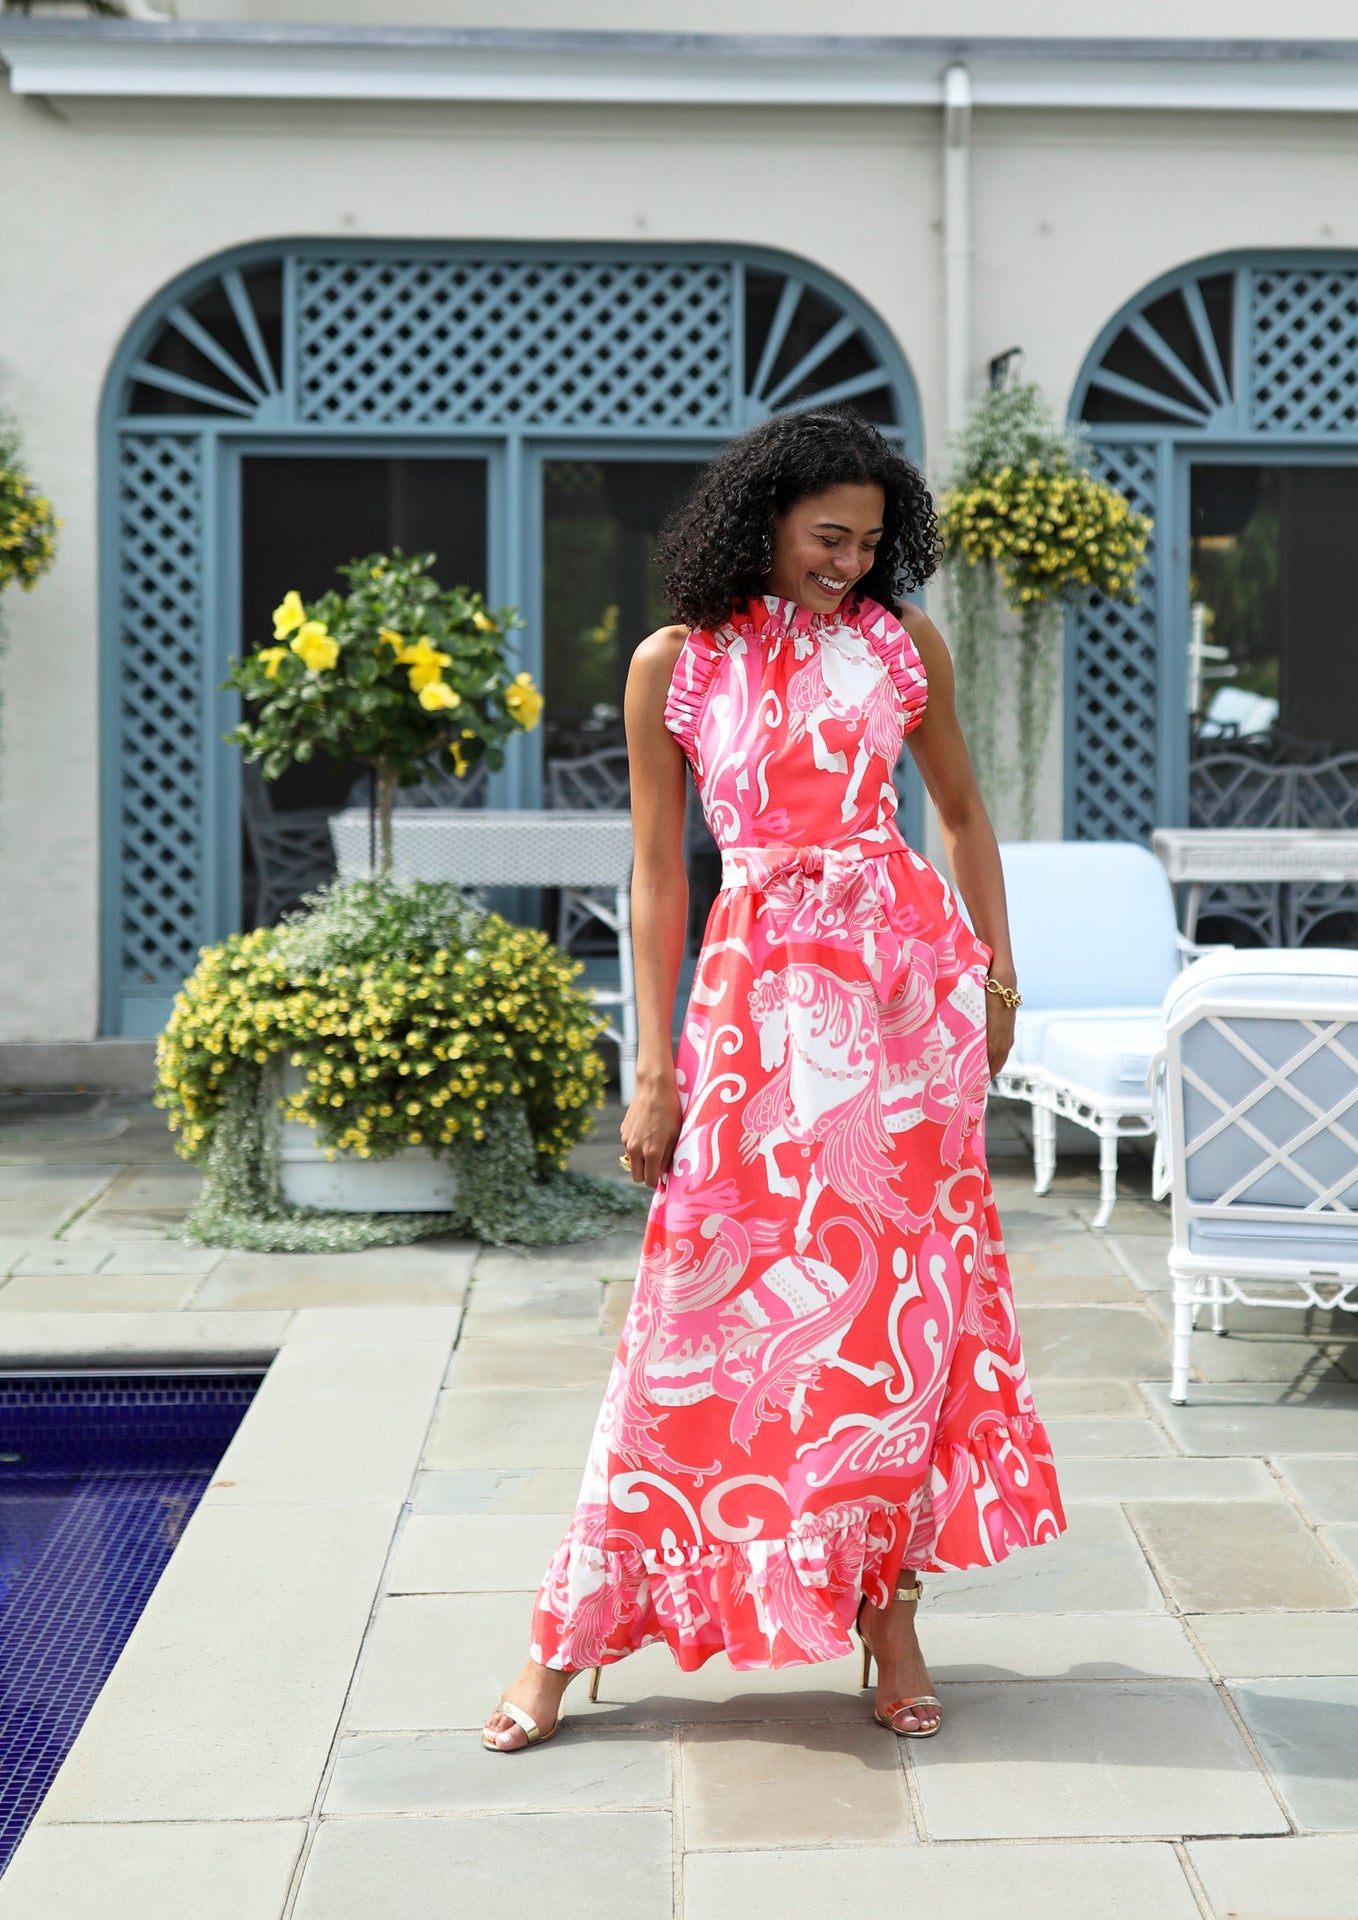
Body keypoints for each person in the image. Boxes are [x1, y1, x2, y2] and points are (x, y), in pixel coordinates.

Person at [482, 407, 1065, 1751]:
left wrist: (998, 983)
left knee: (897, 1319)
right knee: (692, 1311)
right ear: (764, 523)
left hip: (902, 1007)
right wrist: (651, 1068)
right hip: (754, 1011)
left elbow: (963, 815)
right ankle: (565, 1636)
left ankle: (890, 1620)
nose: (849, 564)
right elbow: (658, 874)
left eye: (868, 543)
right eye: (827, 537)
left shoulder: (900, 646)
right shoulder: (677, 664)